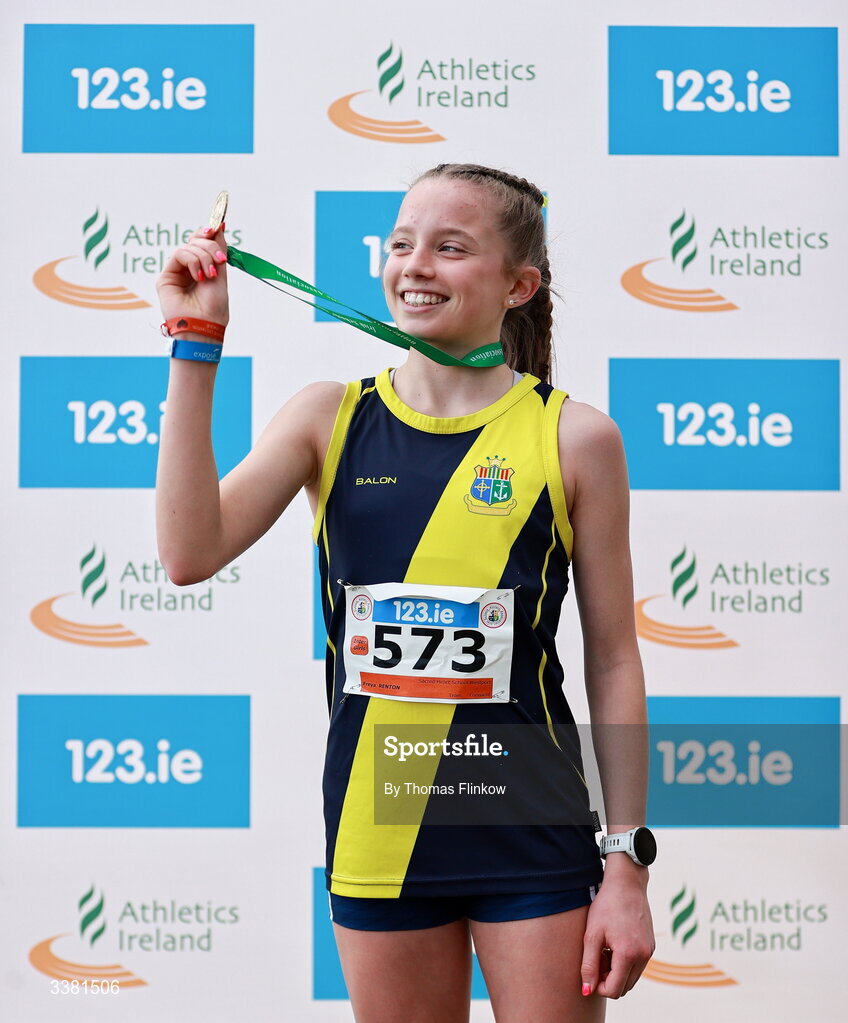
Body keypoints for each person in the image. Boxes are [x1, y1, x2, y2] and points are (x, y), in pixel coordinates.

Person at [156, 163, 655, 1022]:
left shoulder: (573, 436)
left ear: (518, 285)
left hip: (530, 831)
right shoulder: (328, 417)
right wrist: (194, 348)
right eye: (400, 244)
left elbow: (613, 658)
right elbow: (188, 552)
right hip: (378, 829)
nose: (414, 264)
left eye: (451, 247)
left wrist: (626, 864)